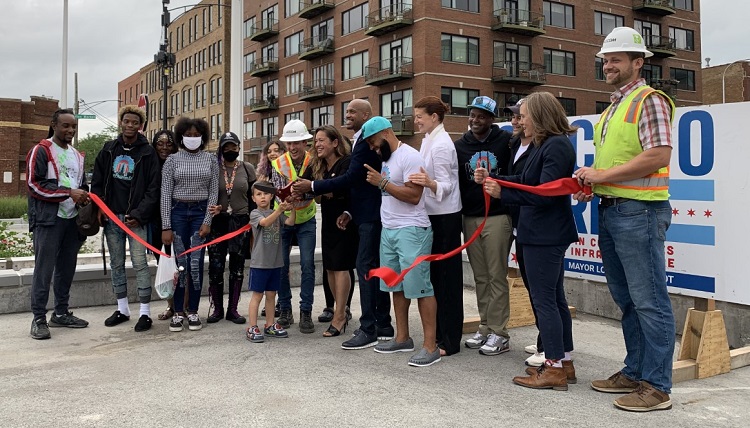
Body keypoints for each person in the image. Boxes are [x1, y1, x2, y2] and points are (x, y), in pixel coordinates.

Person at [573, 27, 675, 412]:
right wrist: (592, 180)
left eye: (616, 59)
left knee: (649, 301)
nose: (608, 65)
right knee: (629, 299)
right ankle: (635, 371)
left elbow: (659, 155)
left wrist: (601, 176)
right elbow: (616, 162)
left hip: (640, 212)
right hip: (614, 209)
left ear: (639, 62)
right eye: (605, 60)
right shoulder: (615, 106)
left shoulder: (648, 100)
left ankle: (658, 386)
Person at [476, 92, 578, 391]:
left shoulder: (556, 145)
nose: (519, 120)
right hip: (536, 232)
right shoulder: (541, 144)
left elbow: (545, 192)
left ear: (541, 116)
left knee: (545, 301)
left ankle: (554, 367)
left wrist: (502, 193)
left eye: (525, 114)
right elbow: (527, 180)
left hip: (545, 234)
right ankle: (564, 362)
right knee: (553, 300)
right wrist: (497, 178)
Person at [293, 99, 394, 350]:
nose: (347, 114)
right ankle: (382, 324)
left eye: (352, 112)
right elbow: (358, 183)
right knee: (369, 268)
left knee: (366, 269)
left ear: (367, 115)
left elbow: (351, 179)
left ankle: (369, 326)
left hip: (369, 216)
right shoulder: (360, 141)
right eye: (346, 111)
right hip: (354, 214)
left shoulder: (360, 146)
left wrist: (313, 187)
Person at [360, 116, 439, 367]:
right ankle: (402, 338)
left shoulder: (410, 156)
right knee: (396, 285)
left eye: (373, 142)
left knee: (421, 287)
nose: (373, 148)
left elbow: (415, 196)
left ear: (385, 133)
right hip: (390, 230)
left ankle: (430, 346)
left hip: (412, 230)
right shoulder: (387, 159)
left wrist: (383, 183)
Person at [91, 105, 161, 332]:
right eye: (126, 121)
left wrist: (140, 215)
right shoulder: (108, 149)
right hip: (112, 218)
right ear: (121, 122)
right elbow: (98, 182)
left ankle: (144, 312)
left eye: (135, 122)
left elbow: (153, 188)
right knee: (117, 263)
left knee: (141, 264)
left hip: (136, 219)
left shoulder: (147, 152)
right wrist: (101, 208)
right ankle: (122, 309)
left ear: (140, 126)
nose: (130, 125)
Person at [454, 96, 513, 355]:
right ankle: (485, 326)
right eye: (472, 115)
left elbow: (513, 175)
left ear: (491, 119)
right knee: (480, 276)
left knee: (496, 274)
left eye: (481, 116)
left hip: (498, 216)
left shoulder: (506, 142)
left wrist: (494, 178)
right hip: (470, 216)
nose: (475, 120)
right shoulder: (460, 146)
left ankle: (500, 332)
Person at [26, 108, 90, 339]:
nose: (70, 130)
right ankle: (39, 318)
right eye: (65, 125)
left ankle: (61, 313)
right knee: (44, 270)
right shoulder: (40, 150)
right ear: (54, 125)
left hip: (72, 221)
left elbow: (80, 184)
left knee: (66, 268)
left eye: (73, 126)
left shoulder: (76, 154)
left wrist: (83, 197)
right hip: (48, 220)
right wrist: (68, 193)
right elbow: (34, 185)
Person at [406, 96, 463, 357]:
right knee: (436, 278)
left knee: (446, 279)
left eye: (419, 116)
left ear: (434, 117)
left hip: (445, 216)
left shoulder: (441, 144)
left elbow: (448, 183)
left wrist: (428, 183)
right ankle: (440, 334)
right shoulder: (428, 139)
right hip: (432, 214)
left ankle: (449, 341)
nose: (415, 120)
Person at [161, 117, 219, 332]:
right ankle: (177, 312)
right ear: (181, 137)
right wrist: (166, 226)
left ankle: (193, 311)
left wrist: (207, 221)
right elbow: (165, 194)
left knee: (196, 264)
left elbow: (213, 191)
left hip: (199, 213)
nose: (192, 138)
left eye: (197, 135)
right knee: (180, 264)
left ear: (202, 137)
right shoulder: (172, 161)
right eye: (188, 135)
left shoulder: (211, 160)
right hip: (177, 212)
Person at [300, 125, 357, 337]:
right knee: (331, 267)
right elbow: (305, 184)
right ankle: (337, 310)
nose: (317, 144)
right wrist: (294, 191)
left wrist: (318, 188)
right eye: (315, 141)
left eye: (322, 140)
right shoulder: (318, 164)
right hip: (329, 219)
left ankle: (341, 315)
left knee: (342, 266)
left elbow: (342, 187)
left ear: (335, 143)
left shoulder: (346, 162)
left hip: (345, 219)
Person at [504, 98, 545, 367]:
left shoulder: (544, 147)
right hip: (521, 225)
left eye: (521, 116)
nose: (517, 121)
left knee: (546, 293)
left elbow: (534, 187)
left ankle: (551, 347)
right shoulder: (513, 144)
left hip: (540, 229)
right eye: (514, 117)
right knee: (532, 288)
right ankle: (547, 340)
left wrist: (501, 185)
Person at [271, 119, 317, 333]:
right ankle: (286, 310)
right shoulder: (278, 164)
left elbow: (317, 189)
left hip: (306, 218)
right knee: (282, 266)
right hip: (283, 219)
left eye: (297, 142)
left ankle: (306, 312)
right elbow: (280, 193)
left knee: (308, 265)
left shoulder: (314, 161)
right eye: (289, 143)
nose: (292, 147)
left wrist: (304, 193)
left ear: (305, 142)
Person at [206, 132, 257, 324]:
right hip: (218, 222)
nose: (229, 150)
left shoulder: (247, 167)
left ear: (238, 148)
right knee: (216, 266)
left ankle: (233, 310)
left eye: (233, 147)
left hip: (240, 221)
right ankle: (217, 309)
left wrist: (253, 222)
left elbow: (254, 196)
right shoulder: (213, 168)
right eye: (226, 147)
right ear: (220, 148)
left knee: (237, 267)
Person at [245, 182, 295, 343]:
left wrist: (292, 207)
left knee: (272, 294)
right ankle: (252, 326)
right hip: (260, 263)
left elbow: (290, 222)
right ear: (253, 198)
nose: (262, 197)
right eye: (258, 194)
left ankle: (270, 324)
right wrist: (280, 210)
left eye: (265, 194)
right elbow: (265, 223)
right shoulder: (254, 213)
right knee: (257, 295)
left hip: (275, 262)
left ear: (271, 196)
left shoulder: (276, 212)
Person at [149, 130, 181, 321]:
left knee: (180, 265)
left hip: (176, 219)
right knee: (164, 263)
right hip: (155, 221)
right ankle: (171, 305)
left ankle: (183, 306)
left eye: (169, 144)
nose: (164, 147)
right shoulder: (149, 165)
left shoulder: (178, 164)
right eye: (160, 144)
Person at [256, 140, 285, 318]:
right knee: (271, 261)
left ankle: (282, 303)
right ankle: (270, 304)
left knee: (283, 264)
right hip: (269, 221)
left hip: (285, 219)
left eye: (277, 150)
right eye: (270, 151)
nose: (273, 153)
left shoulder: (287, 171)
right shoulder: (263, 175)